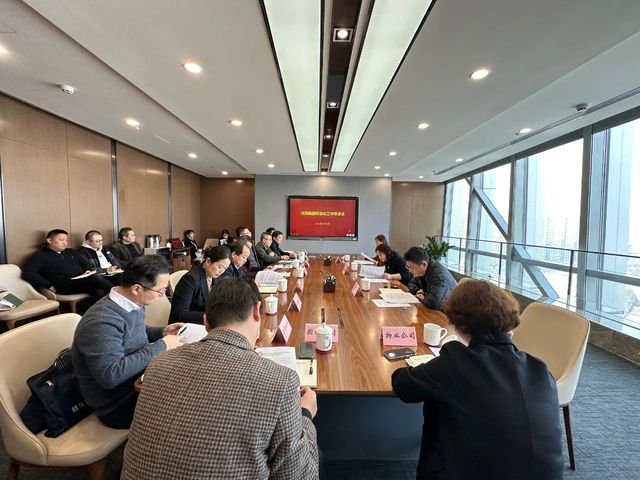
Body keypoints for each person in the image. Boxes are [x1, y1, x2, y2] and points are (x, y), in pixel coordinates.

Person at [122, 278, 319, 479]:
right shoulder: (281, 382)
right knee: (314, 451)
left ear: (206, 322)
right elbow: (300, 475)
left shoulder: (158, 363)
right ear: (256, 310)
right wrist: (305, 414)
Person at [392, 280, 563, 480]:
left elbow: (402, 384)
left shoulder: (457, 360)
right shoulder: (540, 369)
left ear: (460, 325)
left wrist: (429, 368)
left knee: (439, 402)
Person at [71, 255, 184, 429]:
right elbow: (111, 375)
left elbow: (134, 333)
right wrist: (162, 345)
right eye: (160, 291)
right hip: (115, 404)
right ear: (137, 288)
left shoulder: (132, 303)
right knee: (187, 407)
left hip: (137, 380)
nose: (161, 296)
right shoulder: (101, 322)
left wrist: (162, 332)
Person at [22, 229, 113, 299]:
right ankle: (118, 297)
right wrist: (49, 285)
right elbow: (28, 273)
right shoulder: (40, 256)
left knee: (99, 291)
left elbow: (86, 263)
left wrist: (88, 270)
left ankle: (101, 312)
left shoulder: (71, 251)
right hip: (63, 285)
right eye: (61, 240)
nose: (65, 242)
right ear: (49, 240)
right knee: (95, 278)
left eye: (66, 240)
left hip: (82, 280)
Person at [169, 246, 231, 324]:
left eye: (225, 268)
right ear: (208, 261)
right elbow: (180, 313)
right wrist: (210, 316)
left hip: (203, 323)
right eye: (220, 267)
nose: (221, 271)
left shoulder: (215, 277)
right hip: (184, 325)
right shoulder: (190, 279)